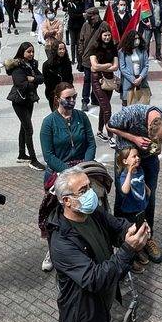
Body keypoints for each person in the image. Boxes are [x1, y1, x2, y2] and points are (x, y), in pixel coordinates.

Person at [46, 165, 150, 322]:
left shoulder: (92, 213)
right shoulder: (62, 242)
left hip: (99, 312)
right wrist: (129, 249)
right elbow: (95, 278)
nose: (91, 193)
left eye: (89, 187)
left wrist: (132, 230)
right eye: (83, 190)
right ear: (66, 201)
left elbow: (116, 226)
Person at [38, 82, 98, 271]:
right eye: (68, 97)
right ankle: (52, 248)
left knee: (87, 210)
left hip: (82, 170)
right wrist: (69, 173)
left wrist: (83, 168)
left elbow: (91, 143)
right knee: (56, 215)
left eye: (74, 96)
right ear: (57, 99)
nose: (72, 100)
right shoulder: (49, 122)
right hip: (59, 172)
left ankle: (89, 245)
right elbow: (48, 155)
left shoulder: (82, 117)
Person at [106, 104, 162, 263]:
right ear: (148, 128)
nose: (156, 142)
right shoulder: (131, 114)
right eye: (154, 139)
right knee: (124, 197)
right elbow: (109, 125)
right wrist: (134, 138)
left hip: (149, 160)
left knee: (148, 197)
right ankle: (124, 240)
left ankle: (146, 237)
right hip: (127, 159)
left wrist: (157, 146)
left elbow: (160, 140)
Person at [6, 41, 45, 169]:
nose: (31, 54)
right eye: (28, 51)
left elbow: (42, 78)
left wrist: (32, 78)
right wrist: (33, 81)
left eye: (32, 51)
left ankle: (22, 154)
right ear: (22, 52)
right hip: (19, 101)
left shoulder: (32, 64)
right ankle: (33, 160)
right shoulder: (17, 66)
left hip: (29, 100)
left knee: (24, 127)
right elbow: (21, 84)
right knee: (29, 129)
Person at [89, 27, 119, 140]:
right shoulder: (94, 47)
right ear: (100, 36)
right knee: (107, 108)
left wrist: (101, 67)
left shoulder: (113, 47)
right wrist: (107, 65)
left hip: (109, 80)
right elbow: (94, 66)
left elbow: (115, 67)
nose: (107, 37)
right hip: (97, 79)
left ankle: (100, 131)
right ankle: (111, 136)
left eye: (109, 35)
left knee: (104, 107)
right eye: (105, 35)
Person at [118, 30, 151, 107]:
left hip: (141, 80)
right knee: (127, 103)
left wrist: (140, 77)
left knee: (142, 103)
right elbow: (122, 68)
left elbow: (146, 65)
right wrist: (133, 79)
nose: (137, 40)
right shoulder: (122, 51)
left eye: (138, 38)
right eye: (135, 39)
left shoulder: (143, 50)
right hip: (128, 80)